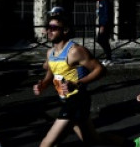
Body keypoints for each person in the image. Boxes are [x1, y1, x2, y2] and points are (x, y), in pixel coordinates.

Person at [32, 13, 106, 146]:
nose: (49, 30)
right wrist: (42, 85)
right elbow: (51, 72)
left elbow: (100, 69)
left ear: (65, 30)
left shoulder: (75, 51)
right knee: (94, 140)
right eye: (48, 27)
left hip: (77, 100)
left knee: (46, 144)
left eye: (54, 28)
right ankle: (131, 144)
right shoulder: (50, 53)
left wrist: (77, 83)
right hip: (65, 99)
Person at [94, 0, 114, 64]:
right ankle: (108, 56)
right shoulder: (101, 1)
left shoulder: (104, 1)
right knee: (101, 40)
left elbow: (106, 14)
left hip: (105, 25)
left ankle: (109, 58)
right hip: (102, 24)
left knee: (102, 40)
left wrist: (103, 25)